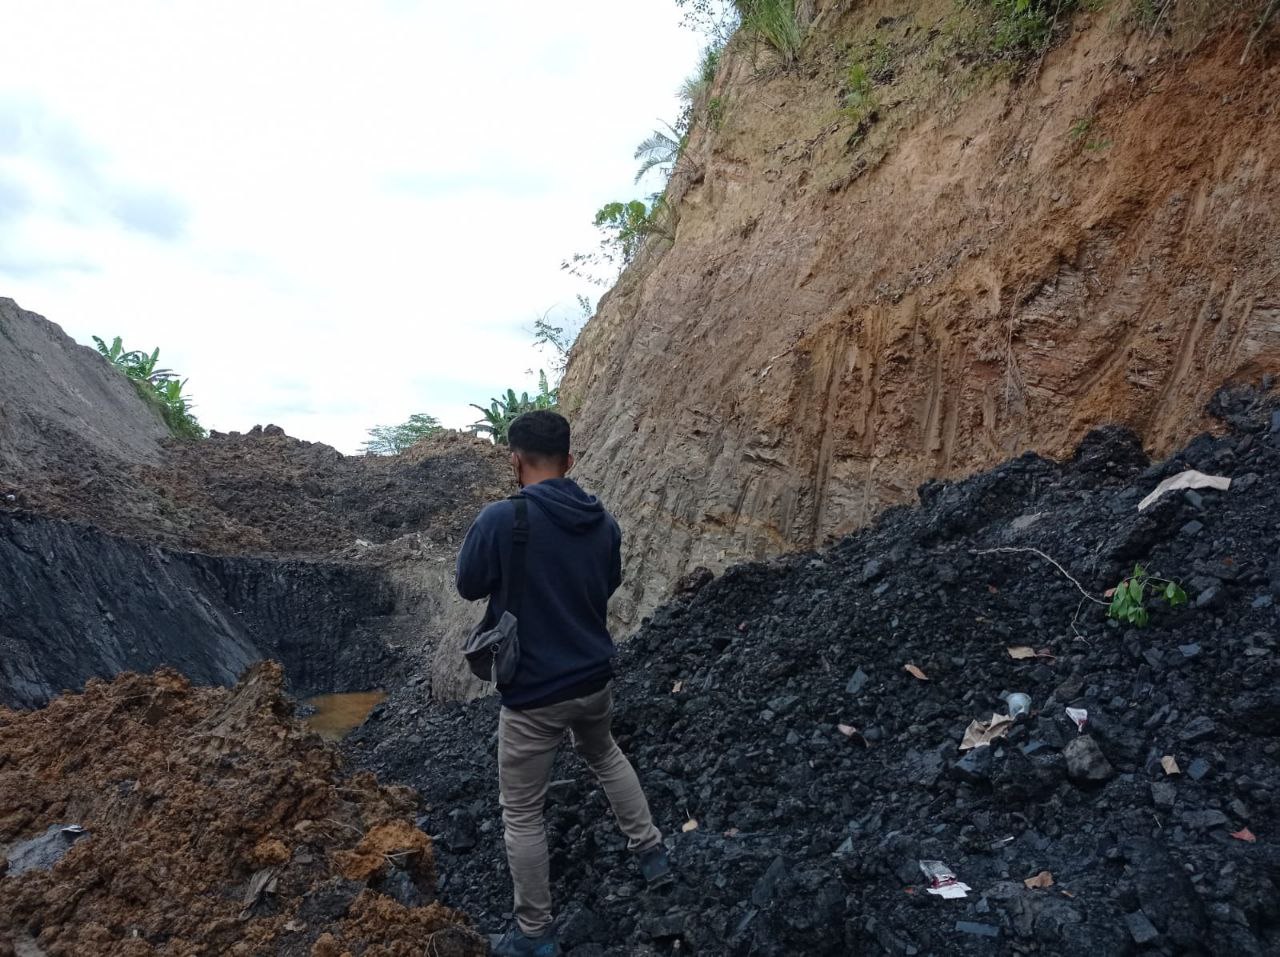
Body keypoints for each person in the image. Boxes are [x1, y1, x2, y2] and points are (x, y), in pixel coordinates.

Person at [456, 410, 670, 957]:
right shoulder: (604, 522)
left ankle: (535, 933)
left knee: (522, 811)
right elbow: (608, 582)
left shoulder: (502, 518)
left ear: (515, 460)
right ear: (569, 460)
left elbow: (469, 585)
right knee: (605, 754)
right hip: (594, 679)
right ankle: (652, 853)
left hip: (535, 695)